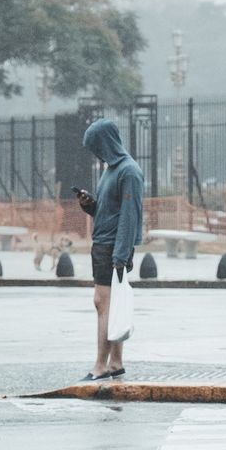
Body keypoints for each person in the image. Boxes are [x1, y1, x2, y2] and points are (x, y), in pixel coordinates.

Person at [75, 118, 144, 381]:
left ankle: (100, 366)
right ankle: (115, 363)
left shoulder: (129, 171)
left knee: (102, 303)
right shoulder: (111, 170)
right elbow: (109, 211)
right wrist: (89, 206)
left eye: (96, 146)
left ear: (106, 142)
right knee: (110, 306)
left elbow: (129, 217)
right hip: (104, 244)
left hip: (113, 247)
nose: (95, 153)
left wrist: (120, 255)